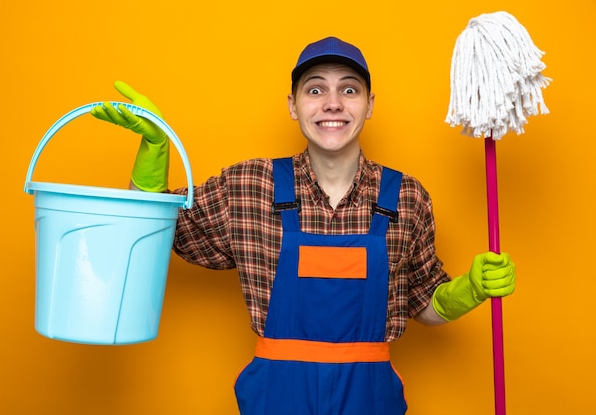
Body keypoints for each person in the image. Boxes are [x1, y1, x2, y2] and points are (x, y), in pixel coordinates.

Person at [91, 36, 516, 415]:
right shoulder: (247, 187)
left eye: (349, 89)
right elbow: (152, 229)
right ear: (294, 106)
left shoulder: (406, 197)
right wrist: (153, 149)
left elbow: (424, 304)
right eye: (316, 89)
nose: (333, 103)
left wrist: (470, 290)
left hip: (369, 400)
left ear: (369, 104)